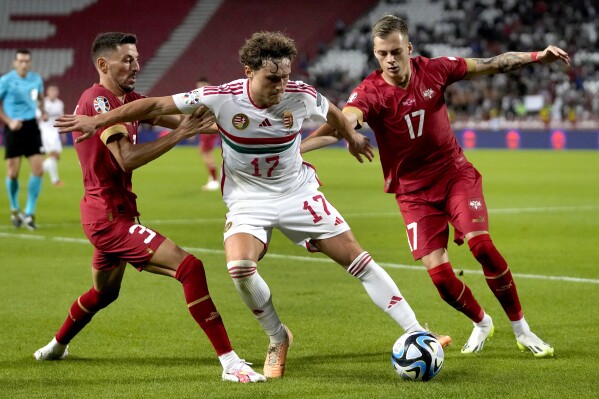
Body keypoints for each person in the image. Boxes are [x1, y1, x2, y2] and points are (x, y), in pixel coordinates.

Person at [55, 31, 451, 379]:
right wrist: (96, 123)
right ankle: (278, 338)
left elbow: (331, 110)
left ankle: (417, 331)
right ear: (249, 71)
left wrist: (350, 136)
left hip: (298, 192)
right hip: (248, 200)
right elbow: (154, 106)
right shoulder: (220, 98)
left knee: (358, 260)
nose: (281, 85)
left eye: (285, 76)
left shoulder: (301, 94)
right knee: (239, 267)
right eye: (272, 78)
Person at [302, 15, 571, 358]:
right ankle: (482, 321)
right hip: (413, 193)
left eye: (396, 52)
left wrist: (537, 57)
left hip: (454, 175)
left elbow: (490, 64)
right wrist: (304, 145)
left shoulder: (436, 69)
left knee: (482, 246)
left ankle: (522, 329)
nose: (390, 60)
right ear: (375, 54)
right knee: (442, 279)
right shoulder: (370, 92)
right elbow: (346, 118)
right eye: (382, 54)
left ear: (409, 48)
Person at [34, 32, 265, 384]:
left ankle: (56, 344)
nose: (136, 65)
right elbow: (126, 159)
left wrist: (234, 120)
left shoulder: (129, 100)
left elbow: (179, 118)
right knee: (190, 267)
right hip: (108, 218)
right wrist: (179, 134)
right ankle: (230, 363)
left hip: (114, 213)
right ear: (103, 64)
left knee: (104, 293)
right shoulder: (99, 101)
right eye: (127, 59)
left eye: (137, 59)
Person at [0, 48, 46, 230]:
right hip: (13, 128)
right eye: (20, 61)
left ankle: (29, 212)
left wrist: (43, 112)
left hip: (31, 127)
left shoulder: (36, 80)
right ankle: (14, 207)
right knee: (12, 172)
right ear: (15, 62)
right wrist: (9, 121)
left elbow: (40, 99)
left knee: (38, 169)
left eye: (27, 61)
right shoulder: (6, 80)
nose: (24, 64)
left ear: (30, 62)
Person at [195, 78, 221, 191]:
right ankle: (213, 179)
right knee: (204, 152)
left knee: (206, 153)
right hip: (205, 127)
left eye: (201, 85)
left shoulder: (209, 97)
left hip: (209, 127)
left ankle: (214, 180)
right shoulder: (205, 96)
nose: (199, 88)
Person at [39, 84, 65, 186]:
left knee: (56, 156)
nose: (53, 93)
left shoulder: (60, 103)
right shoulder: (43, 103)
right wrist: (42, 116)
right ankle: (55, 180)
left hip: (55, 132)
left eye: (55, 91)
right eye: (51, 91)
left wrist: (62, 132)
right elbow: (38, 115)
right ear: (47, 92)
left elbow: (61, 117)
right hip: (45, 131)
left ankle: (38, 170)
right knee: (52, 154)